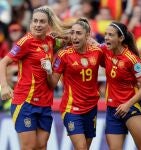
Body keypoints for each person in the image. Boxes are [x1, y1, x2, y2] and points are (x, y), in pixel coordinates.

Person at [0, 5, 70, 150]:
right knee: (29, 147)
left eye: (42, 22)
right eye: (35, 21)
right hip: (26, 102)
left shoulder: (51, 41)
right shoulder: (26, 41)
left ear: (48, 25)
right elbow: (3, 62)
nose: (37, 25)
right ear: (31, 22)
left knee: (42, 146)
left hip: (45, 103)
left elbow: (70, 38)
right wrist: (5, 86)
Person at [41, 18, 103, 150]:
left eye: (79, 33)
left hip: (91, 107)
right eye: (73, 33)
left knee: (85, 147)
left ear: (87, 35)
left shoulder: (97, 52)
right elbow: (52, 84)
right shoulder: (64, 55)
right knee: (81, 147)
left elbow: (112, 61)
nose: (74, 37)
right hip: (71, 109)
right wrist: (47, 70)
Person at [100, 22, 141, 150]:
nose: (106, 37)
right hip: (113, 110)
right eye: (105, 34)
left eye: (110, 35)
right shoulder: (106, 50)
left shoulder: (132, 59)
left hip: (131, 108)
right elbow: (91, 44)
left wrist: (127, 105)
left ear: (121, 38)